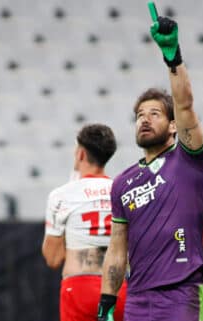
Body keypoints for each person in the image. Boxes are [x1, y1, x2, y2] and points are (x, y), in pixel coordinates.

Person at [97, 9, 203, 321]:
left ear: (174, 127)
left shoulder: (189, 160)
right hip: (137, 297)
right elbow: (117, 248)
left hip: (181, 291)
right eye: (140, 115)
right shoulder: (123, 182)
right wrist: (107, 299)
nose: (145, 119)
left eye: (155, 113)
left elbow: (184, 104)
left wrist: (172, 57)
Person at [42, 124, 127, 321]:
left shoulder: (62, 195)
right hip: (119, 288)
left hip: (79, 288)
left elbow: (53, 258)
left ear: (80, 154)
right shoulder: (123, 191)